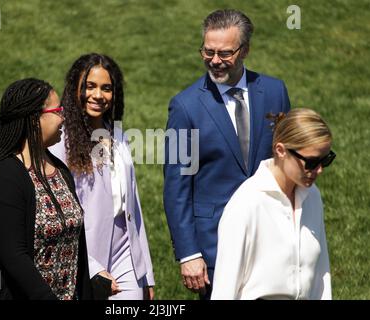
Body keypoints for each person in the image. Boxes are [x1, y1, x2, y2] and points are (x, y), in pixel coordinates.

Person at [163, 9, 291, 299]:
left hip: (271, 236)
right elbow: (177, 186)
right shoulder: (184, 107)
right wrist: (188, 253)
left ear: (245, 50)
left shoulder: (274, 91)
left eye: (225, 53)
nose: (215, 61)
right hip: (215, 246)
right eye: (208, 52)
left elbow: (288, 162)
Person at [0, 78, 92, 300]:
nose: (63, 117)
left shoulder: (60, 170)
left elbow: (77, 249)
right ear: (35, 119)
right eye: (58, 110)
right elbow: (14, 257)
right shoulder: (4, 177)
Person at [49, 53, 155, 300]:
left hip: (124, 251)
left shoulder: (116, 133)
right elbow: (56, 212)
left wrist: (145, 273)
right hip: (83, 252)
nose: (98, 95)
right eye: (90, 86)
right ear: (75, 87)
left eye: (106, 88)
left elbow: (134, 205)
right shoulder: (59, 139)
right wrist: (93, 268)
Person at [211, 108, 335, 300]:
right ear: (281, 150)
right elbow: (225, 289)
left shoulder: (312, 196)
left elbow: (321, 273)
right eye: (311, 162)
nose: (319, 170)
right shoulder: (246, 204)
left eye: (325, 160)